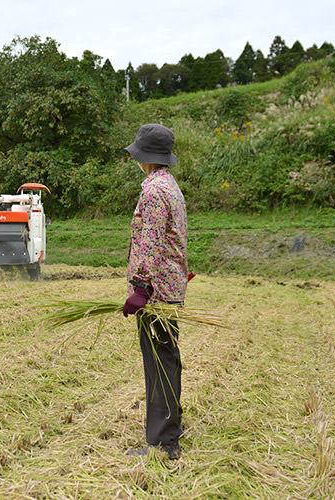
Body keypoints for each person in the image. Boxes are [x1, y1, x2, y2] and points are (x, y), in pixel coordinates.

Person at [121, 123, 189, 460]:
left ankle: (163, 444)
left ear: (144, 156)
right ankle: (170, 429)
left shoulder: (152, 191)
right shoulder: (171, 186)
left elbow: (149, 243)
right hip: (171, 287)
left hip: (157, 293)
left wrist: (141, 288)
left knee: (159, 364)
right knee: (168, 359)